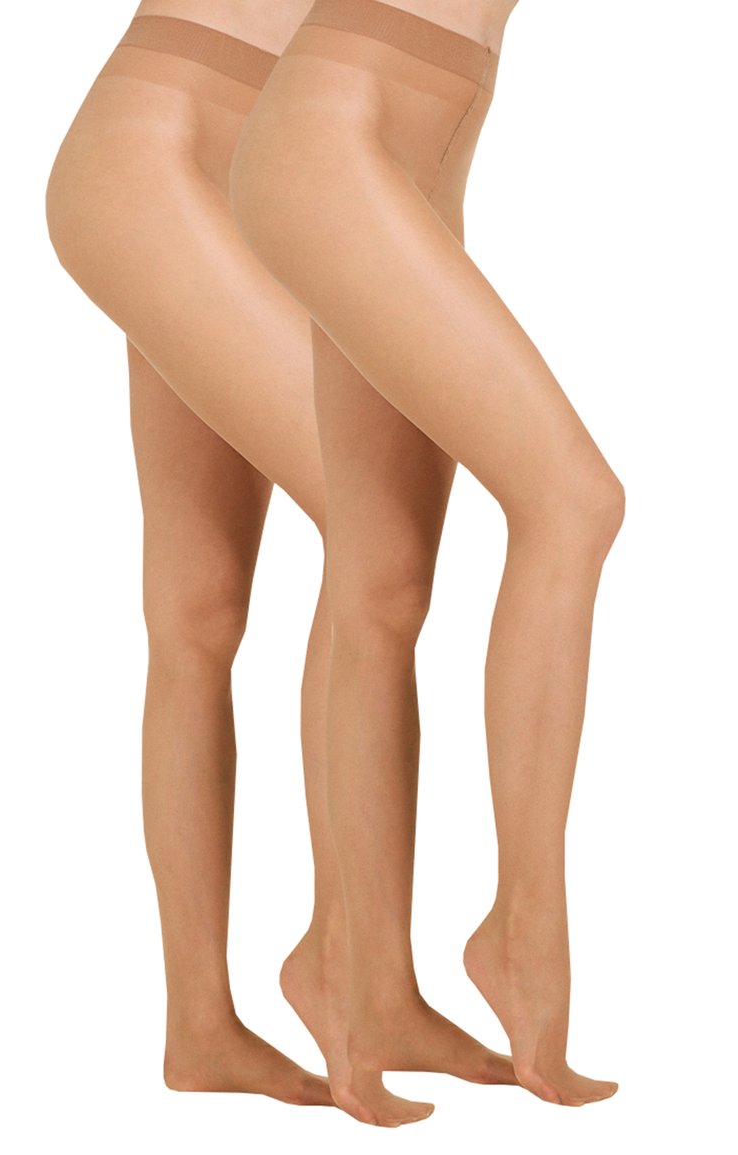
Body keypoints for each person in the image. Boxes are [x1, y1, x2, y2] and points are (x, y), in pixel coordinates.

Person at [45, 0, 512, 1126]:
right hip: (165, 150)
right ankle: (349, 963)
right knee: (371, 531)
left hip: (239, 145)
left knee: (198, 610)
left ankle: (202, 1028)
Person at [230, 0, 623, 1124]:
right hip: (340, 131)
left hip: (410, 131)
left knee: (383, 576)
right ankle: (523, 924)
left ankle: (361, 977)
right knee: (572, 502)